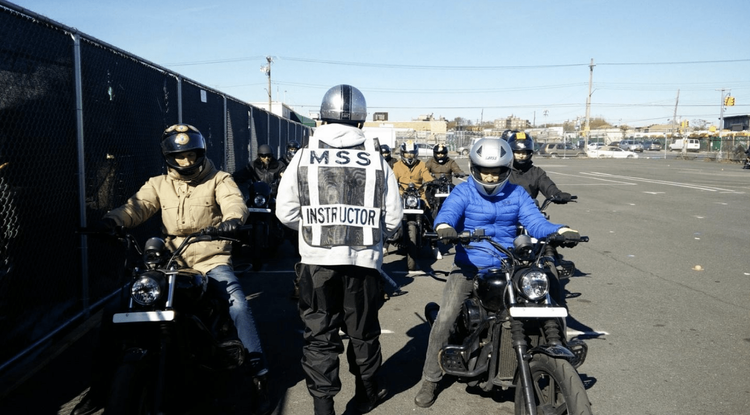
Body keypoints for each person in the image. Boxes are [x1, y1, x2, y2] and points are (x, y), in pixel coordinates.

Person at [72, 124, 272, 415]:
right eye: (179, 157)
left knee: (238, 305)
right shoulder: (158, 184)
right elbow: (136, 207)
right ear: (169, 157)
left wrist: (231, 221)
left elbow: (234, 203)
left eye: (192, 155)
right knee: (116, 309)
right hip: (170, 262)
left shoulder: (220, 179)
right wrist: (112, 221)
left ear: (201, 153)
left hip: (210, 260)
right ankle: (100, 388)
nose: (186, 162)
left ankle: (259, 376)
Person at [413, 137, 580, 408]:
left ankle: (552, 361)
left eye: (498, 171)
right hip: (469, 267)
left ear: (507, 169)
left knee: (543, 302)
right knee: (444, 319)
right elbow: (448, 214)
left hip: (509, 264)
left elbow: (535, 222)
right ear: (474, 167)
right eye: (484, 170)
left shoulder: (516, 194)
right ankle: (430, 379)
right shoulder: (463, 192)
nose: (490, 177)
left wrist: (559, 230)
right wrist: (445, 227)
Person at [275, 84, 403, 415]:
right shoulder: (377, 161)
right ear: (361, 121)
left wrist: (315, 230)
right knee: (362, 333)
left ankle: (323, 406)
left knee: (319, 336)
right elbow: (393, 220)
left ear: (321, 117)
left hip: (316, 262)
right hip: (363, 263)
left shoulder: (303, 156)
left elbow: (285, 212)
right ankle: (367, 393)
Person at [506, 131, 572, 203]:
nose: (521, 156)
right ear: (511, 152)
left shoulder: (537, 172)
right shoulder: (504, 171)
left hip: (530, 210)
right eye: (518, 152)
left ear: (530, 153)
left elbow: (548, 186)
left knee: (542, 214)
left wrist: (557, 194)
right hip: (506, 209)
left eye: (524, 153)